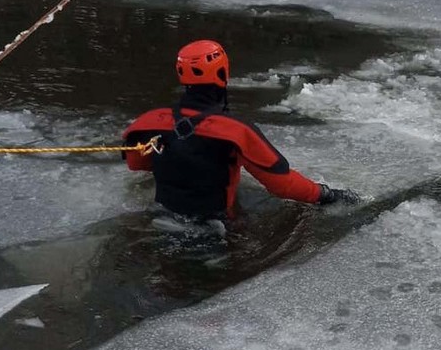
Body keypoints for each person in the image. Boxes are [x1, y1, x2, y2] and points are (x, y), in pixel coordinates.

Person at [122, 39, 359, 220]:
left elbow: (136, 163)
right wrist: (326, 194)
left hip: (162, 215)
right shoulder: (236, 131)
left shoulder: (149, 121)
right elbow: (282, 185)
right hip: (215, 226)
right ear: (223, 72)